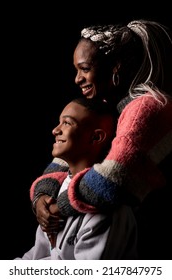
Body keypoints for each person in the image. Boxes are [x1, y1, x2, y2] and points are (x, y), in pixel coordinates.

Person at [30, 19, 172, 259]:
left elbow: (113, 178)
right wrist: (42, 196)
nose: (77, 79)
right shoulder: (110, 107)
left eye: (85, 69)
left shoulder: (147, 107)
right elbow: (69, 160)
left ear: (115, 67)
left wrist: (57, 207)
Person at [15, 96, 138, 260]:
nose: (55, 130)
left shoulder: (107, 208)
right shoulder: (58, 189)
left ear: (96, 137)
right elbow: (39, 255)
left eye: (66, 123)